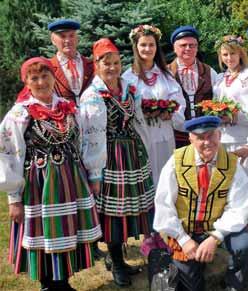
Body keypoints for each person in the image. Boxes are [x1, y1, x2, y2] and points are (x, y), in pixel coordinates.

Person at [0, 57, 102, 291]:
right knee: (44, 230)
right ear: (26, 82)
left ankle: (62, 281)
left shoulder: (66, 107)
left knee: (67, 228)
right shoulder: (20, 113)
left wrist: (92, 173)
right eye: (34, 78)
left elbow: (83, 141)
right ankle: (48, 284)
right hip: (39, 184)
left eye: (45, 76)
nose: (41, 82)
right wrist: (14, 199)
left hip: (70, 179)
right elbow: (7, 155)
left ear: (53, 77)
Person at [79, 38, 155, 287]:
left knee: (134, 209)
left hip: (132, 153)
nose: (112, 68)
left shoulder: (129, 88)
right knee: (112, 214)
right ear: (97, 66)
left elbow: (138, 119)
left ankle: (127, 258)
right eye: (106, 63)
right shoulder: (92, 95)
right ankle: (117, 263)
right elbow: (90, 136)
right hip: (109, 157)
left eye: (115, 62)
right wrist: (94, 172)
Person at [153, 116, 248, 291]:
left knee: (245, 245)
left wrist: (215, 237)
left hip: (216, 229)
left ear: (220, 135)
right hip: (185, 230)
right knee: (191, 286)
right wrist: (183, 239)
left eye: (211, 136)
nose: (207, 143)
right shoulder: (175, 162)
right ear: (190, 138)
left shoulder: (233, 165)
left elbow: (238, 209)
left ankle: (233, 283)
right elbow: (164, 205)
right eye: (200, 138)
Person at [213, 35, 248, 236]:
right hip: (224, 138)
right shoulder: (220, 78)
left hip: (245, 138)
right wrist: (217, 113)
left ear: (241, 54)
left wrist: (233, 116)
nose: (229, 58)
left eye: (233, 53)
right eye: (225, 54)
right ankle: (232, 227)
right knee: (230, 185)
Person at [123, 24, 186, 185]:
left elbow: (178, 100)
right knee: (145, 177)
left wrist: (171, 112)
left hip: (164, 134)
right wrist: (142, 112)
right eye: (143, 44)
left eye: (151, 45)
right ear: (136, 47)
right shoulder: (128, 77)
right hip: (142, 135)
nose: (148, 49)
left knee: (166, 176)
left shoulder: (165, 75)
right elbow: (124, 105)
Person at [168, 26, 218, 148]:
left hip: (205, 136)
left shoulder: (209, 71)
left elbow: (218, 100)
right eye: (183, 45)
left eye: (192, 45)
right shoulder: (166, 73)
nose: (188, 49)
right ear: (174, 48)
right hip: (176, 136)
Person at [48, 19, 94, 104]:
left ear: (77, 38)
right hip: (63, 116)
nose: (67, 41)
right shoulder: (48, 68)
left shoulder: (92, 65)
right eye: (62, 36)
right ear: (53, 40)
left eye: (71, 35)